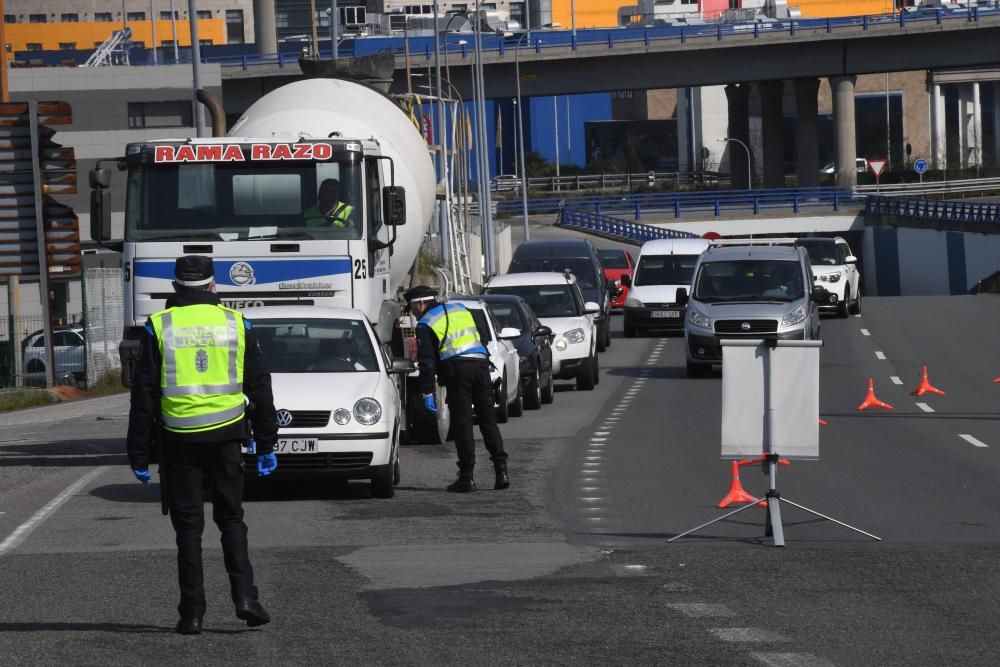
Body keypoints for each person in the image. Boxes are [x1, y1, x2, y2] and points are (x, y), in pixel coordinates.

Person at [126, 255, 279, 635]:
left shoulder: (158, 326)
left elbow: (143, 396)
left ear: (176, 288)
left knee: (189, 528)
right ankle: (245, 599)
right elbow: (259, 386)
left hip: (179, 439)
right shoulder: (236, 323)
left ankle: (192, 613)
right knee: (231, 518)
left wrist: (139, 453)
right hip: (227, 435)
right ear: (213, 287)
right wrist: (267, 443)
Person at [405, 285, 508, 493]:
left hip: (457, 372)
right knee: (488, 422)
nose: (412, 314)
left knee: (463, 425)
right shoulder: (461, 309)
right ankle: (501, 472)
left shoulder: (426, 324)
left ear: (421, 303)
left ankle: (467, 477)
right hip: (481, 367)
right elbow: (479, 338)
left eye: (411, 309)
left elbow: (427, 362)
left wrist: (427, 393)